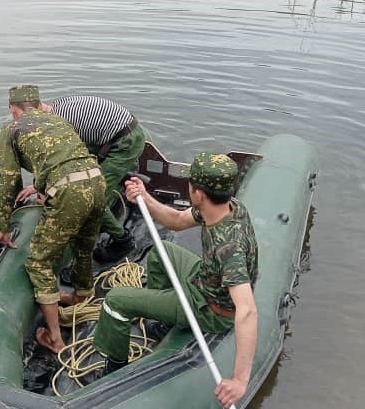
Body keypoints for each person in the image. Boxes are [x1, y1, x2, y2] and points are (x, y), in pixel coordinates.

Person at [92, 152, 259, 407]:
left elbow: (246, 311)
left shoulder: (229, 247)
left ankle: (115, 367)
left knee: (115, 301)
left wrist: (239, 380)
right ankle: (163, 318)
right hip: (206, 280)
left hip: (211, 308)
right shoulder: (226, 206)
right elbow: (178, 221)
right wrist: (144, 197)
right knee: (161, 250)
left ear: (199, 194)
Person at [0, 85, 106, 354]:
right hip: (97, 181)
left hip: (69, 192)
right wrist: (41, 187)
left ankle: (55, 339)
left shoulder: (10, 129)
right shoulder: (59, 120)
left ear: (13, 109)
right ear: (39, 105)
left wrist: (3, 227)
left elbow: (6, 180)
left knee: (38, 261)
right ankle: (82, 295)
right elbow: (63, 157)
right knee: (83, 245)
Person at [15, 94, 146, 263]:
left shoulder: (58, 125)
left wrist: (43, 188)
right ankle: (113, 183)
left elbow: (62, 163)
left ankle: (123, 241)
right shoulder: (56, 109)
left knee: (91, 199)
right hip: (110, 137)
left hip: (124, 143)